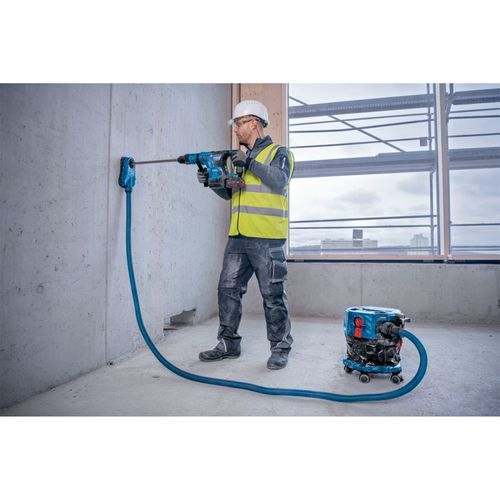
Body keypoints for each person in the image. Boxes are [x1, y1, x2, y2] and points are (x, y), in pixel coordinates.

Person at [197, 99, 295, 370]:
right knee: (227, 290)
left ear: (253, 123)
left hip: (267, 239)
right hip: (238, 237)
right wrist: (212, 182)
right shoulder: (240, 159)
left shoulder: (280, 153)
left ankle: (280, 347)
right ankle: (228, 344)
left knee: (273, 295)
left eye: (239, 124)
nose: (236, 129)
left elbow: (279, 180)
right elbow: (231, 193)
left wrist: (249, 161)